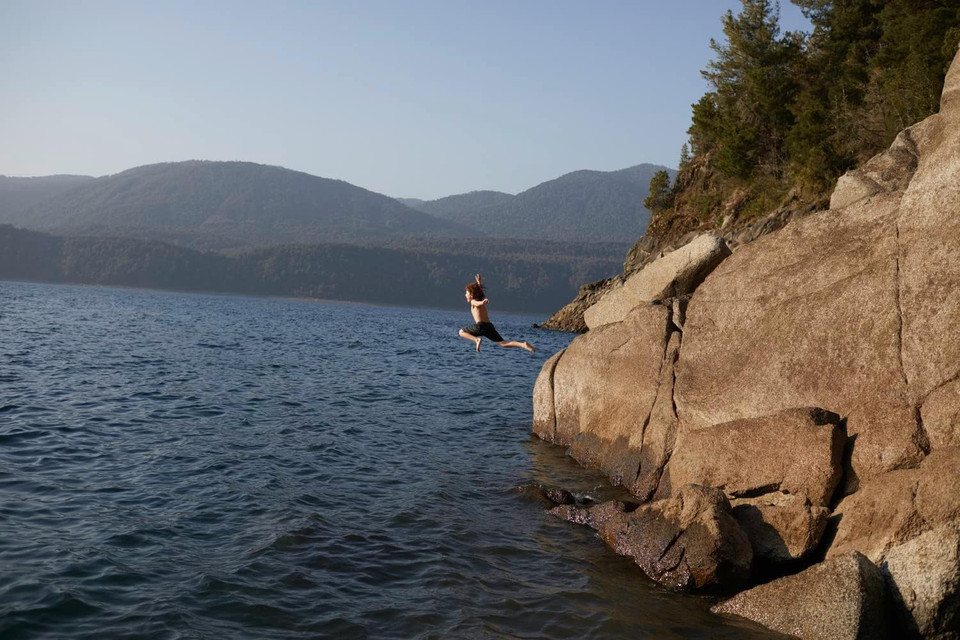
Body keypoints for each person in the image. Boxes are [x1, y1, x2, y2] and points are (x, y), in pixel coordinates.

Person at [458, 274, 535, 353]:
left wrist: (482, 302)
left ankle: (476, 340)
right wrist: (479, 283)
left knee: (461, 332)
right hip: (489, 326)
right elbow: (478, 294)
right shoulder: (477, 297)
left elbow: (477, 303)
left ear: (471, 295)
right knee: (503, 344)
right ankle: (523, 345)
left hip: (480, 326)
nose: (465, 295)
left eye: (466, 293)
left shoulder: (473, 301)